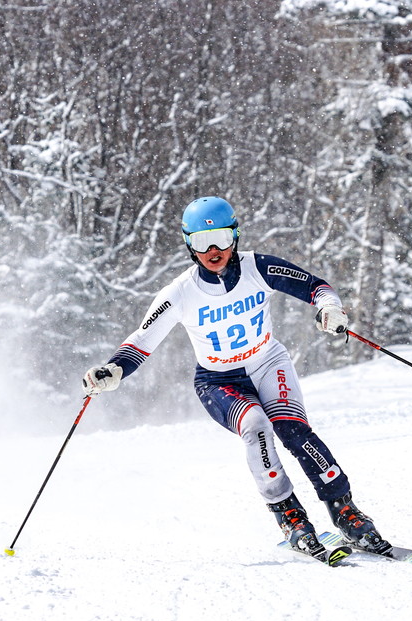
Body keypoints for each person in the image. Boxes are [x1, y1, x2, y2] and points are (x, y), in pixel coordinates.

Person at [82, 196, 391, 558]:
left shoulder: (258, 268)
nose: (213, 250)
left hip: (268, 362)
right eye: (201, 242)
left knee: (293, 431)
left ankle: (345, 511)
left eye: (222, 240)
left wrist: (329, 309)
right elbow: (142, 339)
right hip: (218, 381)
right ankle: (290, 518)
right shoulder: (179, 293)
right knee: (256, 425)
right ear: (188, 245)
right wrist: (115, 369)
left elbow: (316, 287)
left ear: (236, 237)